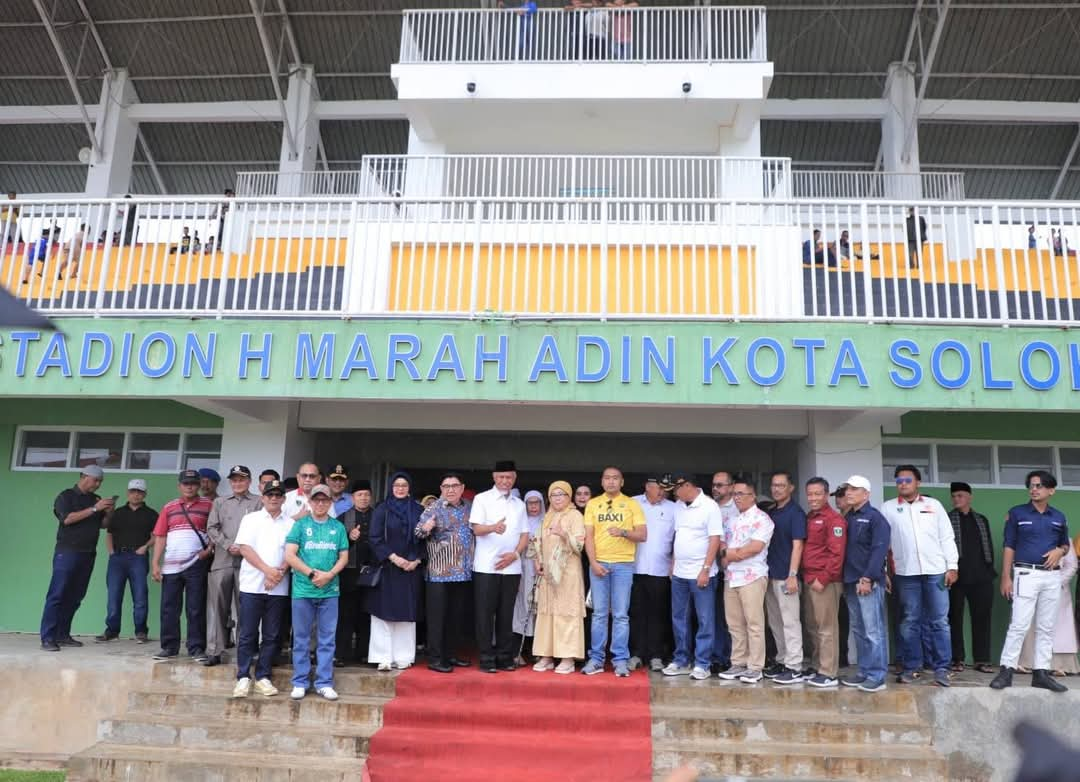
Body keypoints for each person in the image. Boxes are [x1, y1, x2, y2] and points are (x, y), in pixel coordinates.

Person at [990, 470, 1070, 693]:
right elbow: (1009, 545)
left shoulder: (1059, 516)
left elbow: (1065, 544)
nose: (1034, 489)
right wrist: (1006, 576)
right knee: (1019, 625)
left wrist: (1060, 552)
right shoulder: (1016, 513)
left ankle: (1041, 673)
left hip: (1052, 576)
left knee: (1046, 627)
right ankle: (1006, 670)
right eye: (1032, 486)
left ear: (1051, 490)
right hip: (1025, 574)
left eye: (1039, 486)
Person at [882, 464, 958, 688]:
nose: (903, 484)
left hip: (936, 571)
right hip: (906, 574)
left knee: (939, 622)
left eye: (907, 480)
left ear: (918, 483)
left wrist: (952, 566)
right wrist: (884, 571)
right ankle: (912, 666)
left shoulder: (933, 505)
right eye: (899, 481)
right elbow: (883, 544)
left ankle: (942, 668)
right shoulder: (887, 508)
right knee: (909, 621)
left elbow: (947, 537)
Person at [284, 484, 349, 700]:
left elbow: (344, 557)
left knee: (327, 639)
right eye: (316, 500)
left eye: (325, 500)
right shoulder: (300, 526)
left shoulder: (338, 527)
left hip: (330, 590)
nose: (320, 504)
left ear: (330, 502)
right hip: (303, 590)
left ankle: (324, 682)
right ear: (310, 502)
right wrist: (312, 574)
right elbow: (290, 555)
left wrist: (329, 575)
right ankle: (300, 681)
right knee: (301, 638)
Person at [582, 466, 647, 677]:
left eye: (615, 478)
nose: (611, 481)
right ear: (602, 482)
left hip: (623, 565)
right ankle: (596, 659)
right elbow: (588, 537)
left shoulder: (631, 504)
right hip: (599, 563)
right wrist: (592, 562)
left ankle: (620, 659)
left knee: (620, 615)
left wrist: (623, 532)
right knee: (599, 614)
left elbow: (642, 534)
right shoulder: (593, 504)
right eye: (607, 478)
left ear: (622, 482)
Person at [41, 465, 114, 651]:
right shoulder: (66, 496)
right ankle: (48, 638)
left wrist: (108, 512)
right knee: (57, 594)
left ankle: (63, 635)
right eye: (95, 480)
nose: (97, 485)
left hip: (88, 553)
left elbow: (103, 525)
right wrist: (95, 509)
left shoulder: (95, 499)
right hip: (67, 552)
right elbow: (67, 519)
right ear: (83, 476)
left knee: (75, 597)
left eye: (100, 482)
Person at [231, 479, 292, 698]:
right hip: (252, 585)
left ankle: (263, 676)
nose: (274, 498)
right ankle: (243, 676)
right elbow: (245, 548)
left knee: (271, 635)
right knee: (247, 633)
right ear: (263, 497)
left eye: (278, 495)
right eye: (270, 495)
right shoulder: (251, 519)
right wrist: (268, 571)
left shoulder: (291, 524)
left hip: (278, 588)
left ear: (284, 499)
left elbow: (291, 552)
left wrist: (277, 574)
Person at [663, 472, 724, 680]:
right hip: (680, 572)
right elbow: (678, 536)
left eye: (676, 490)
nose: (674, 495)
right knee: (679, 618)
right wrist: (673, 563)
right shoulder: (679, 506)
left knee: (705, 619)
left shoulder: (709, 506)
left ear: (687, 486)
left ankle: (703, 663)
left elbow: (714, 539)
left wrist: (706, 568)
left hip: (701, 572)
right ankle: (681, 660)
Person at [471, 461, 529, 673]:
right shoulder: (482, 498)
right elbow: (476, 529)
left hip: (512, 567)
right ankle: (486, 657)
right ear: (494, 477)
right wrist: (493, 527)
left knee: (507, 614)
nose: (505, 481)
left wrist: (515, 555)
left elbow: (525, 534)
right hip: (487, 566)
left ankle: (505, 657)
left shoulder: (519, 504)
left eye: (509, 477)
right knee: (485, 614)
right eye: (501, 477)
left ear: (514, 478)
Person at [151, 470, 214, 662]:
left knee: (195, 608)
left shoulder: (209, 505)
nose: (190, 487)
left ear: (199, 485)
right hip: (171, 566)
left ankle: (196, 648)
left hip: (197, 563)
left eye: (193, 483)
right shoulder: (169, 507)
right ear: (179, 486)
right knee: (169, 608)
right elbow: (161, 535)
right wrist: (155, 562)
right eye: (186, 483)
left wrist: (210, 549)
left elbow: (215, 530)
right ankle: (169, 647)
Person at [716, 476, 773, 683]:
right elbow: (721, 545)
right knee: (734, 624)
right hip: (731, 577)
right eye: (734, 494)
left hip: (752, 576)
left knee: (754, 623)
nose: (737, 498)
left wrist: (730, 554)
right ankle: (738, 663)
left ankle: (755, 666)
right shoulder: (731, 520)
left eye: (741, 494)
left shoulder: (762, 519)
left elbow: (755, 548)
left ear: (753, 495)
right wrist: (729, 554)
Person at [203, 465, 262, 666]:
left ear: (249, 481)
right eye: (234, 480)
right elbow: (211, 527)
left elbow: (262, 529)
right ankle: (215, 650)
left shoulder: (258, 502)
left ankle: (245, 651)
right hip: (222, 561)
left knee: (246, 609)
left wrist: (244, 547)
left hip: (249, 563)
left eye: (242, 480)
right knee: (217, 607)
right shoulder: (220, 502)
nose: (238, 483)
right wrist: (228, 545)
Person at [416, 472, 474, 673]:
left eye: (454, 486)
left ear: (461, 487)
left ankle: (451, 654)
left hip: (463, 572)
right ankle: (435, 658)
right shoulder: (433, 508)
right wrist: (426, 527)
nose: (450, 489)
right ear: (441, 489)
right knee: (437, 618)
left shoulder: (469, 507)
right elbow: (418, 533)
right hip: (439, 573)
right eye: (446, 486)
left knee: (456, 617)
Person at [368, 472, 425, 672]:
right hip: (388, 567)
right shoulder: (382, 509)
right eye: (397, 485)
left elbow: (427, 538)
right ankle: (382, 656)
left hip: (411, 570)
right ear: (391, 487)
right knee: (383, 613)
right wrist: (394, 557)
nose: (400, 488)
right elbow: (374, 538)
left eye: (404, 485)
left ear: (410, 487)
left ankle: (403, 656)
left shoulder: (419, 510)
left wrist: (417, 560)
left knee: (406, 614)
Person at [840, 475, 891, 693]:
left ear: (866, 494)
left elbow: (879, 551)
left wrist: (868, 578)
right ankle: (864, 671)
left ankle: (877, 675)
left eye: (854, 489)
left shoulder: (875, 518)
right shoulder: (848, 517)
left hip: (866, 581)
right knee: (859, 630)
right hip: (850, 580)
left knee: (873, 630)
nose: (849, 492)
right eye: (848, 488)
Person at [532, 481, 587, 674]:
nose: (557, 498)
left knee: (566, 613)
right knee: (547, 613)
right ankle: (546, 655)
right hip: (548, 574)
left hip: (568, 573)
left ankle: (567, 657)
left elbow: (580, 546)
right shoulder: (547, 516)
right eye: (553, 495)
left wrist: (563, 534)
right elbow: (537, 541)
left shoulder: (575, 515)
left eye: (561, 494)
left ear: (569, 497)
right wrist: (537, 560)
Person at [96, 478, 156, 643]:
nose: (136, 495)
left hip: (138, 558)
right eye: (133, 491)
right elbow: (109, 533)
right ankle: (112, 631)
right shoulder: (117, 513)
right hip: (117, 558)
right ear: (127, 493)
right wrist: (111, 552)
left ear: (144, 494)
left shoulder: (151, 514)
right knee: (114, 596)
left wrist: (145, 547)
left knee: (140, 596)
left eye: (139, 492)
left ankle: (141, 631)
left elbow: (157, 536)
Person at [800, 477, 846, 688]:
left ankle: (829, 672)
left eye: (817, 494)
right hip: (809, 578)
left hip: (824, 581)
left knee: (827, 628)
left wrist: (824, 579)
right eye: (810, 494)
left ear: (826, 495)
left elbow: (837, 554)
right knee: (812, 625)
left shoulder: (834, 520)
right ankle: (818, 666)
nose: (813, 498)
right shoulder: (810, 517)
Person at [947, 481, 997, 673]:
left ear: (969, 497)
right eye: (954, 496)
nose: (956, 499)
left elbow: (989, 547)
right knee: (954, 618)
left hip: (982, 577)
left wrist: (989, 569)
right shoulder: (947, 519)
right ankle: (957, 659)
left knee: (982, 618)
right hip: (957, 577)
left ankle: (982, 660)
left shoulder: (981, 520)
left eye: (960, 495)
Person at [763, 471, 807, 684]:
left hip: (786, 576)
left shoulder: (795, 513)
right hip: (769, 575)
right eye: (773, 485)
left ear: (791, 488)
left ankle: (794, 665)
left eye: (781, 485)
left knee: (790, 621)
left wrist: (792, 575)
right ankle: (782, 659)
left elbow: (798, 545)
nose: (776, 489)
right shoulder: (771, 512)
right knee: (775, 621)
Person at [630, 475, 676, 672]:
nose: (662, 491)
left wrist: (674, 562)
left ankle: (657, 655)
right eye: (658, 487)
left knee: (659, 614)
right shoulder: (632, 503)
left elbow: (678, 537)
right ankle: (636, 653)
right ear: (647, 487)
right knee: (636, 613)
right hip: (633, 568)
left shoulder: (673, 508)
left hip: (661, 570)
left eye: (664, 488)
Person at [1017, 545, 1078, 676]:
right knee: (1029, 624)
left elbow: (1072, 565)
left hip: (1058, 588)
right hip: (1032, 585)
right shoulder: (1031, 536)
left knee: (1058, 629)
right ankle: (1027, 663)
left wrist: (1056, 582)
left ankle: (1060, 666)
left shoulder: (1065, 540)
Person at [336, 479, 376, 666]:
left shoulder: (378, 516)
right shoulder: (342, 518)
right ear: (352, 498)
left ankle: (364, 654)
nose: (363, 498)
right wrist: (349, 538)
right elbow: (335, 546)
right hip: (348, 574)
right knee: (346, 615)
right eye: (360, 495)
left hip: (373, 573)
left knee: (367, 614)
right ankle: (342, 654)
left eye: (367, 495)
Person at [512, 489, 546, 665]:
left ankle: (538, 651)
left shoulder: (548, 521)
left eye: (537, 503)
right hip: (524, 568)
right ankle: (518, 650)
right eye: (530, 503)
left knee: (540, 608)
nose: (534, 506)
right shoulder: (520, 522)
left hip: (543, 570)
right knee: (523, 607)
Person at [710, 471, 738, 671]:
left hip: (735, 570)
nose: (716, 488)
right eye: (714, 485)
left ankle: (734, 658)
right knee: (715, 616)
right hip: (712, 570)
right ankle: (718, 656)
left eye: (720, 485)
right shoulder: (708, 506)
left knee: (734, 618)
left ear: (731, 486)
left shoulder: (738, 508)